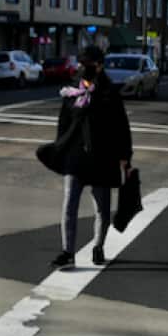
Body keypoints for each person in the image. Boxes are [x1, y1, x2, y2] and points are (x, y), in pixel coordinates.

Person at [51, 45, 133, 268]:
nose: (84, 67)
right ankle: (67, 251)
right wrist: (60, 149)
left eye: (89, 63)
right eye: (82, 63)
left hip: (102, 156)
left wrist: (125, 156)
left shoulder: (109, 93)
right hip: (75, 156)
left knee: (102, 207)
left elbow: (121, 127)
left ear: (99, 65)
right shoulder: (71, 91)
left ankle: (98, 246)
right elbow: (63, 123)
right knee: (69, 204)